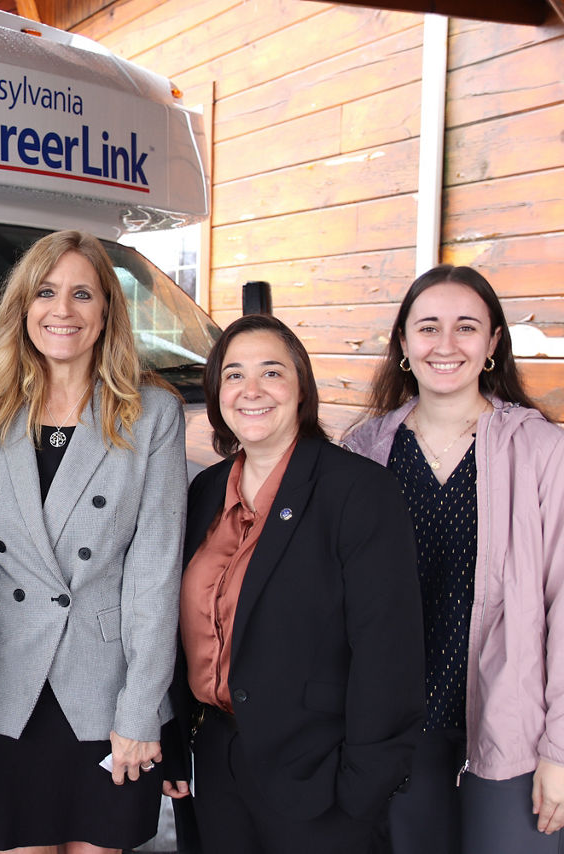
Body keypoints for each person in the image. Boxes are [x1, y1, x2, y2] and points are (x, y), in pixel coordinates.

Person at [0, 229, 185, 854]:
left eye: (83, 294)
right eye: (46, 292)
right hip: (8, 685)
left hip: (106, 689)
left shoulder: (151, 412)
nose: (63, 310)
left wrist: (141, 708)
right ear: (22, 306)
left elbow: (155, 572)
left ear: (107, 308)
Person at [176, 313, 424, 854]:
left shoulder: (358, 491)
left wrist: (361, 791)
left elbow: (389, 654)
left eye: (272, 371)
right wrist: (177, 745)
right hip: (219, 766)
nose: (252, 390)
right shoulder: (205, 491)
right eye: (234, 374)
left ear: (301, 387)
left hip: (319, 778)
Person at [342, 265, 564, 853]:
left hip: (509, 732)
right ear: (404, 343)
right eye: (428, 327)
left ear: (493, 343)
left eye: (466, 327)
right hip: (394, 731)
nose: (445, 345)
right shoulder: (362, 452)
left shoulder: (543, 450)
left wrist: (560, 752)